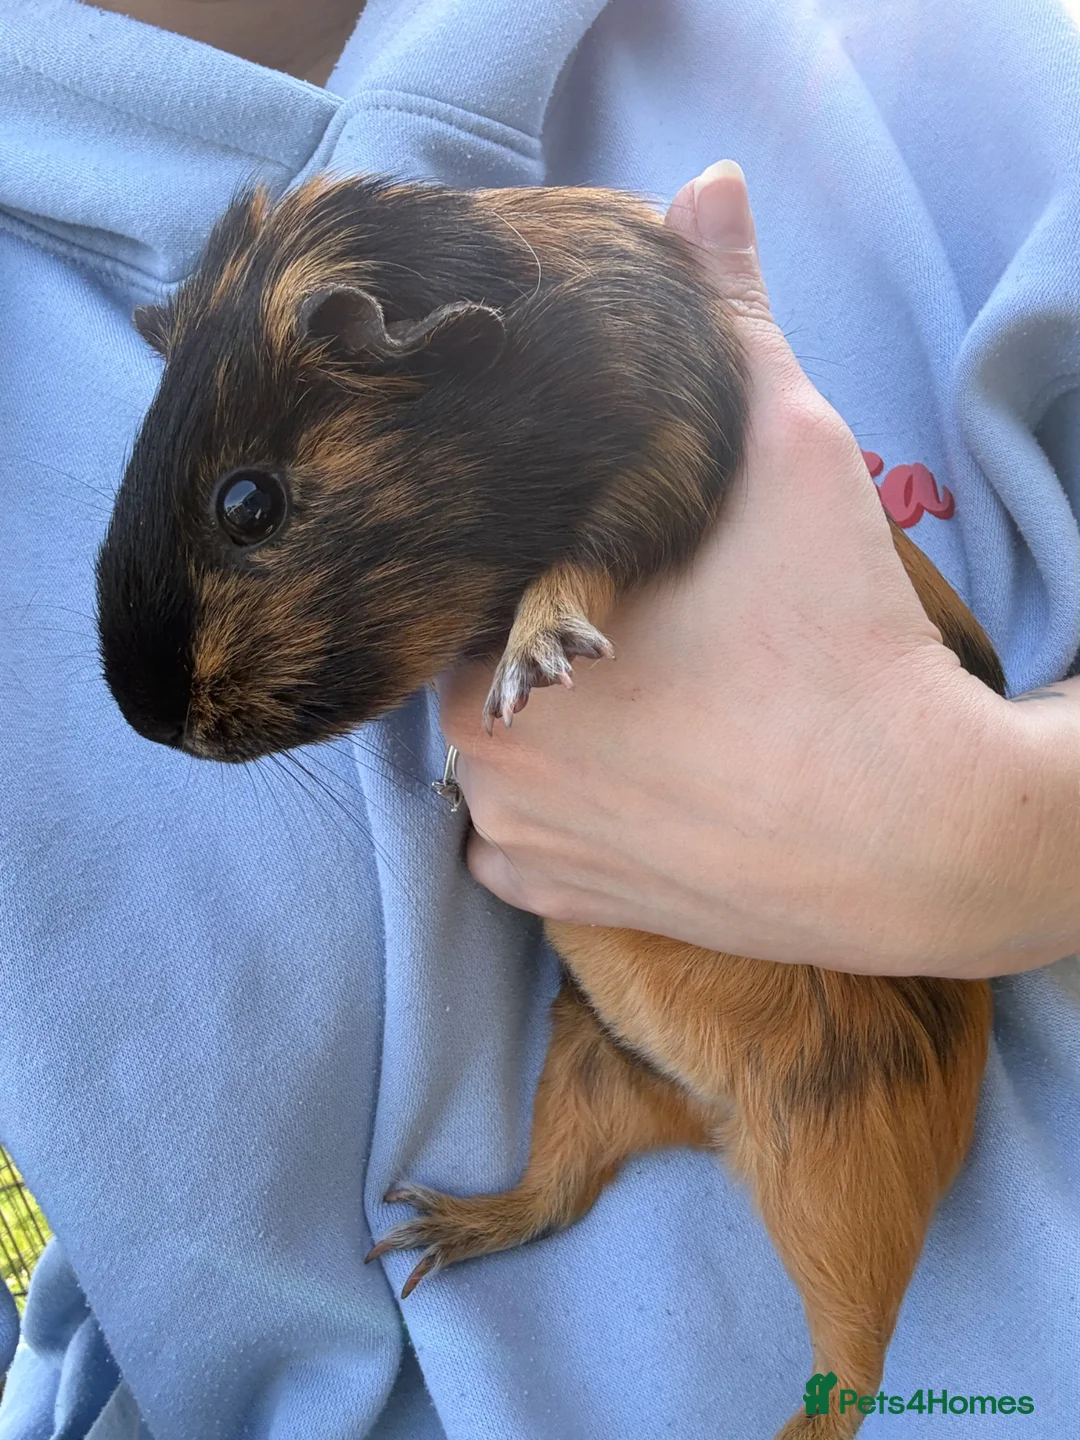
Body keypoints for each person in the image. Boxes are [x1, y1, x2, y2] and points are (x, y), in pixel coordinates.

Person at [1, 1, 1078, 1436]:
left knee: (837, 1194)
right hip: (614, 1057)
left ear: (419, 346)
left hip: (928, 1232)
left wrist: (1000, 830)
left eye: (253, 513)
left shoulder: (914, 58)